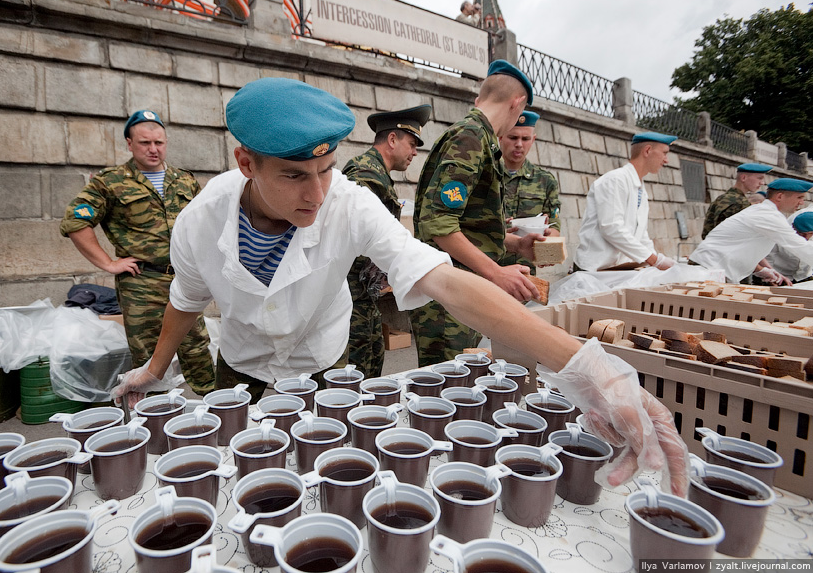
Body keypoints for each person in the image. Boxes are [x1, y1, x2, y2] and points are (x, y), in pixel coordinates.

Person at [111, 74, 690, 497]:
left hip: (321, 361)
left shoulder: (350, 204)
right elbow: (184, 303)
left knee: (325, 482)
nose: (316, 194)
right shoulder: (198, 222)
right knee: (243, 482)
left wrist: (593, 370)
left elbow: (447, 281)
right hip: (239, 365)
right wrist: (155, 368)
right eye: (293, 175)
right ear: (246, 163)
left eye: (325, 169)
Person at [60, 110, 215, 394]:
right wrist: (108, 263)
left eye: (159, 142)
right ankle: (154, 419)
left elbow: (205, 223)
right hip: (141, 283)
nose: (153, 149)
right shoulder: (110, 182)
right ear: (130, 144)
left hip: (183, 279)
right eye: (145, 143)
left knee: (196, 348)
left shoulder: (185, 181)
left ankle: (217, 412)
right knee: (147, 355)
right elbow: (75, 221)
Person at [410, 60, 544, 368]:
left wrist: (515, 245)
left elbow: (467, 223)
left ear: (479, 99)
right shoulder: (470, 137)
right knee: (445, 385)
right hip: (448, 292)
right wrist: (496, 273)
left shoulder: (480, 138)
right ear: (517, 103)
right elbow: (440, 224)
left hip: (457, 285)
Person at [343, 104, 432, 380]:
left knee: (372, 361)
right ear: (392, 140)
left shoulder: (378, 175)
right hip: (351, 291)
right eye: (412, 143)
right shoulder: (364, 174)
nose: (415, 151)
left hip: (364, 292)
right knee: (354, 373)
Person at [574, 132, 677, 272]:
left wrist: (657, 263)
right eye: (664, 153)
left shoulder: (640, 187)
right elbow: (611, 227)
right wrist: (653, 260)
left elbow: (641, 234)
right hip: (593, 270)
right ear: (647, 150)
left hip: (616, 270)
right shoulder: (615, 180)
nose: (666, 160)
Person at [690, 178, 813, 284]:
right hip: (708, 271)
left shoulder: (764, 212)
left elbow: (741, 249)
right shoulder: (768, 216)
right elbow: (799, 245)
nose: (802, 202)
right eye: (799, 197)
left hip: (712, 269)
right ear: (780, 196)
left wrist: (762, 270)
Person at [500, 110, 562, 274]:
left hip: (525, 273)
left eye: (525, 138)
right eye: (513, 137)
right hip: (488, 270)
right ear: (500, 136)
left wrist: (547, 241)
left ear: (533, 140)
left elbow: (555, 227)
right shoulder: (486, 175)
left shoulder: (545, 181)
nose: (519, 144)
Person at [701, 163, 773, 238]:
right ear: (743, 178)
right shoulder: (740, 202)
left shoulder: (720, 198)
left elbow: (706, 232)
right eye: (760, 178)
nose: (762, 183)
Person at [766, 212, 813, 283]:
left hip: (805, 277)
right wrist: (771, 278)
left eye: (809, 234)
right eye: (801, 234)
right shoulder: (780, 237)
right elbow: (768, 259)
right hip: (780, 277)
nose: (805, 237)